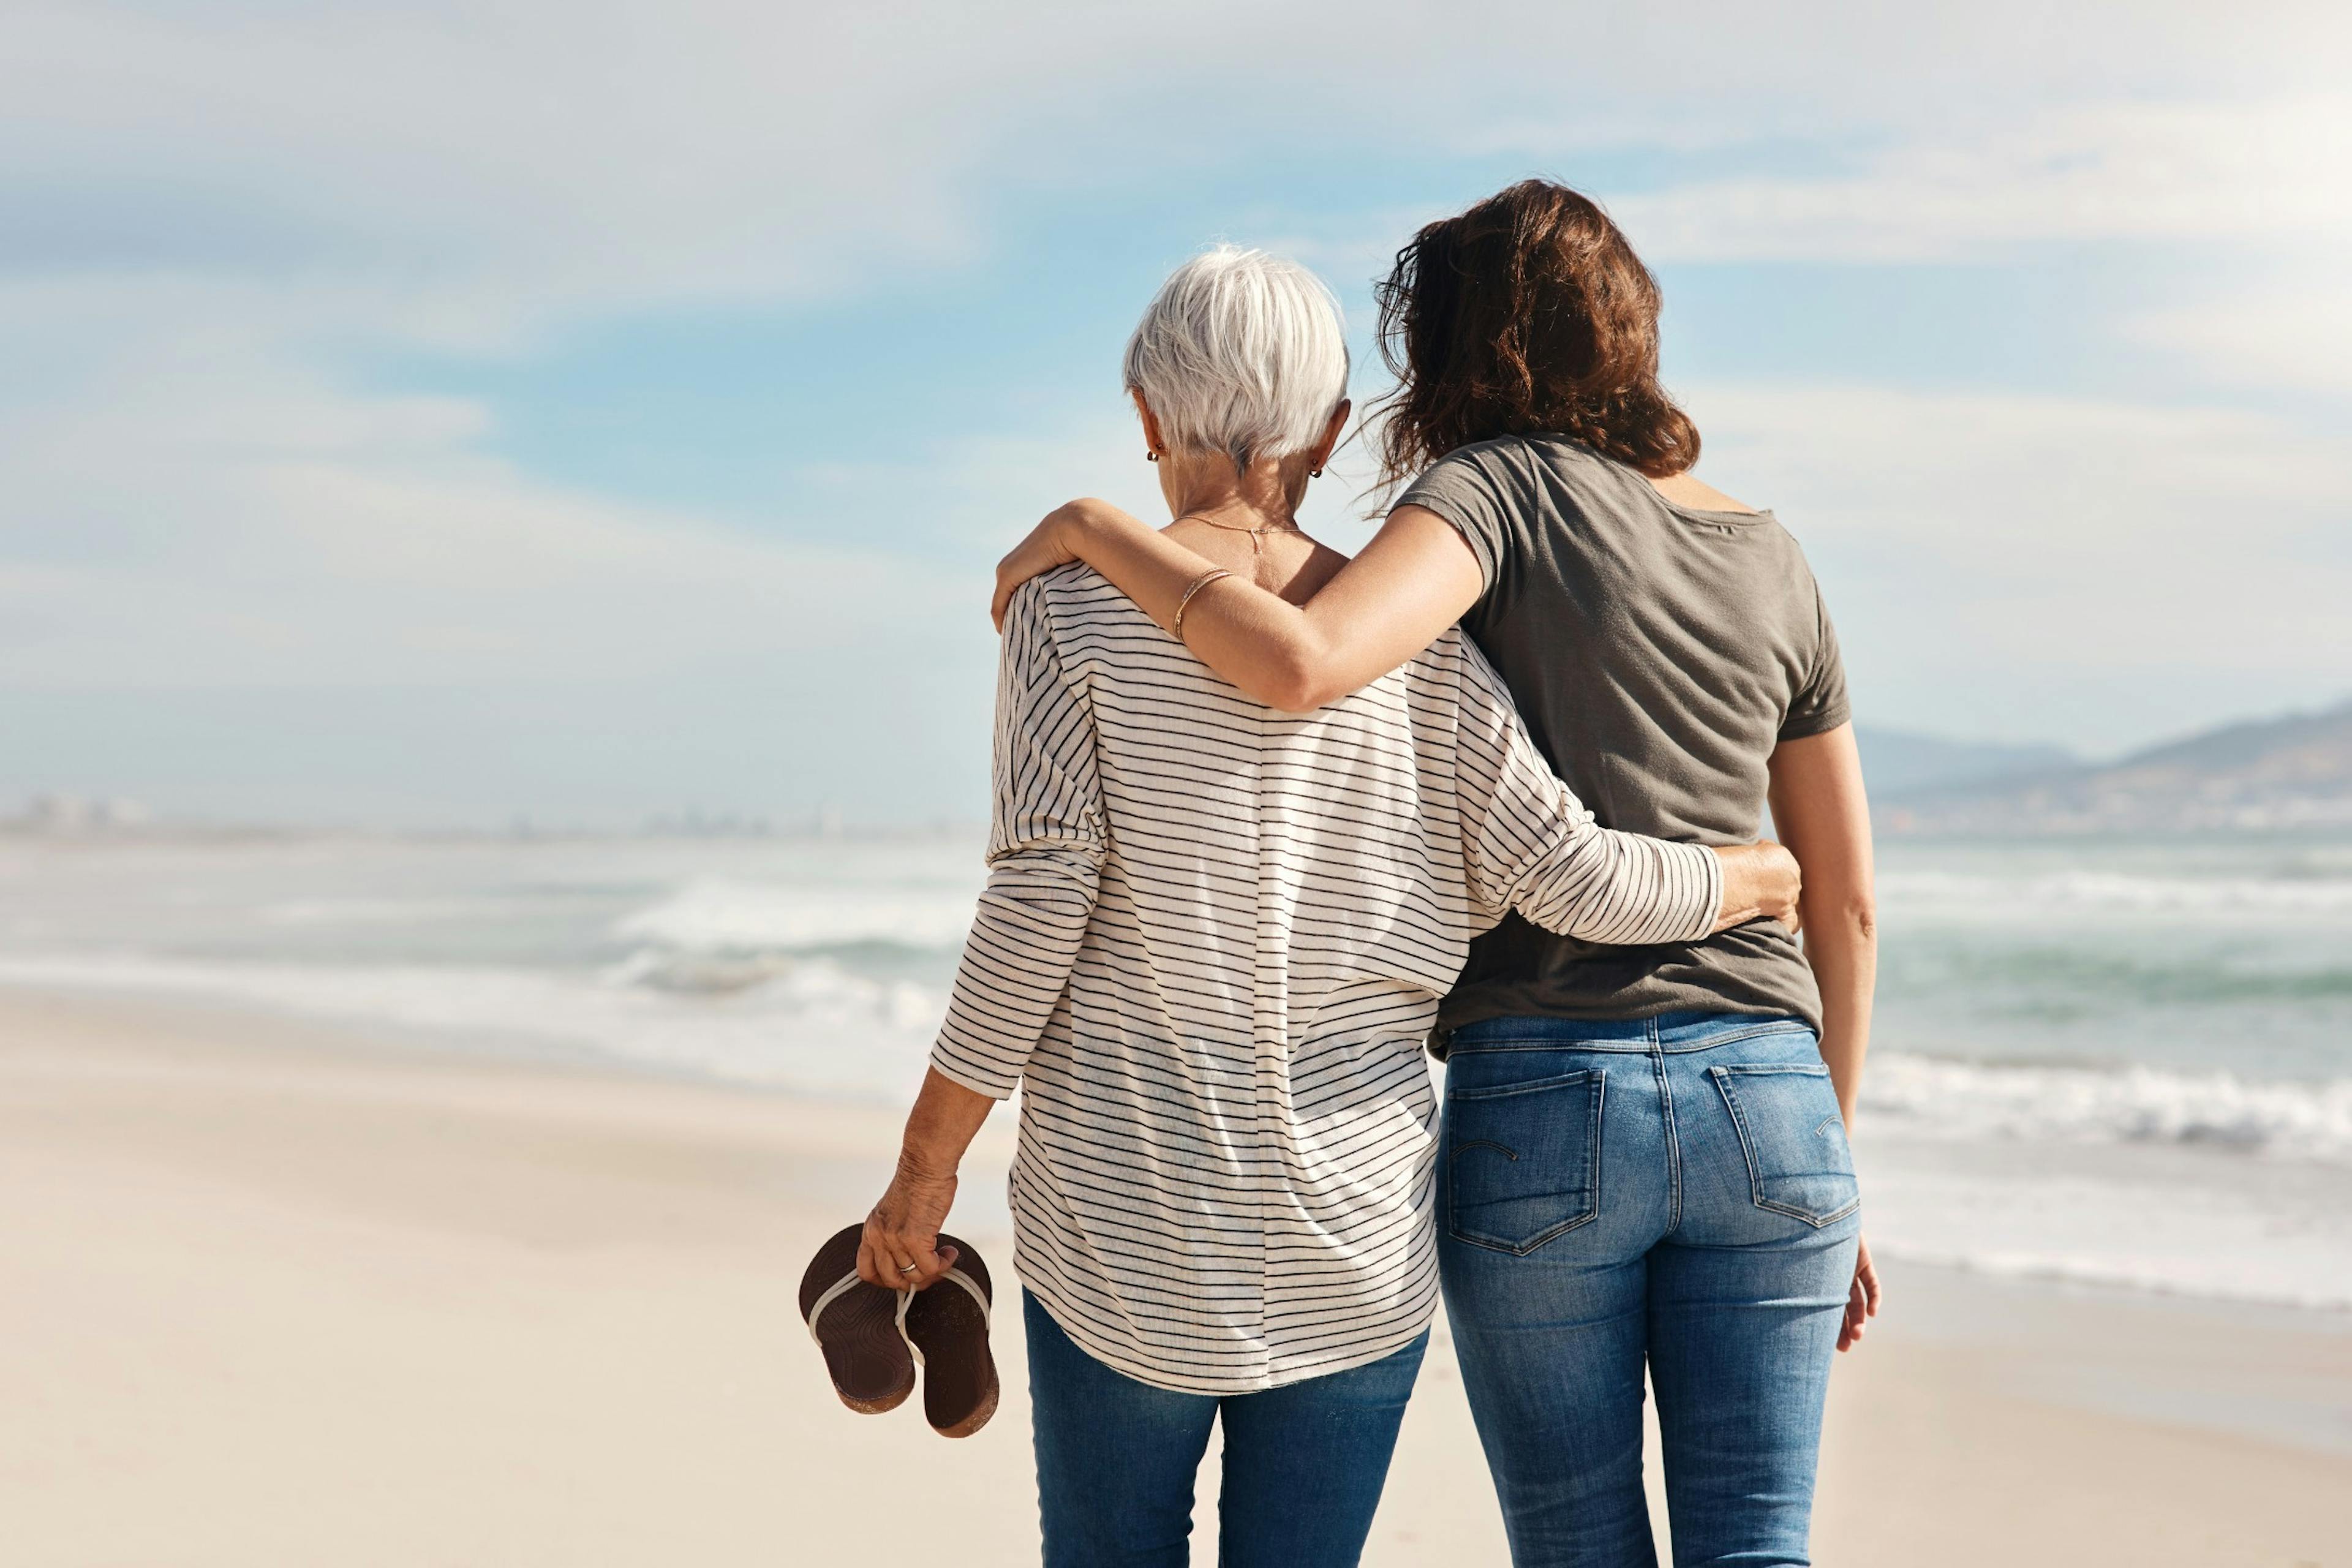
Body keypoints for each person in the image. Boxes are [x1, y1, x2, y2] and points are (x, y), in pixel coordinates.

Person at [859, 244, 1803, 1568]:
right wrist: (1754, 874)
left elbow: (1037, 909)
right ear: (1333, 429)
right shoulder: (1413, 641)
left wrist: (922, 1172)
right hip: (1352, 1240)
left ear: (1147, 416)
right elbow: (1579, 875)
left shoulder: (1066, 607)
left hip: (1124, 1227)